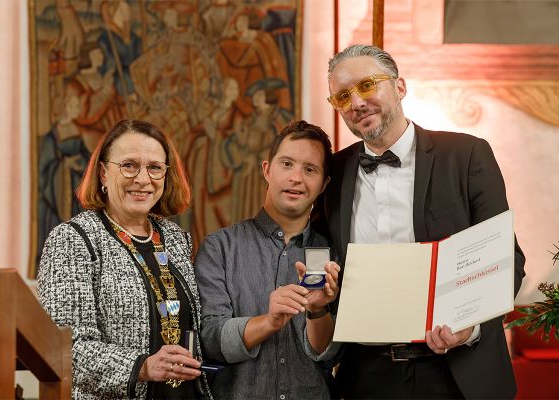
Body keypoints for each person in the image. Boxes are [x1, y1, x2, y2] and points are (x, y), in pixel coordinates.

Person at [314, 44, 526, 399]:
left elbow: (507, 262)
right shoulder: (332, 173)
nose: (356, 103)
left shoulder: (467, 155)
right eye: (342, 96)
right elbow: (318, 251)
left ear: (399, 87)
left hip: (455, 371)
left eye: (368, 85)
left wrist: (470, 326)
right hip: (364, 375)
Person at [37, 119, 213, 399]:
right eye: (129, 165)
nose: (143, 179)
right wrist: (141, 366)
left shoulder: (176, 237)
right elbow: (64, 348)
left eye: (155, 167)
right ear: (104, 173)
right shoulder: (72, 239)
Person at [194, 120, 340, 399]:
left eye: (309, 169)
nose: (296, 177)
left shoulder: (331, 254)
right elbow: (210, 339)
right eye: (287, 164)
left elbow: (328, 356)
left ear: (323, 185)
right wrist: (269, 321)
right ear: (267, 170)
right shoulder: (220, 248)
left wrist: (318, 311)